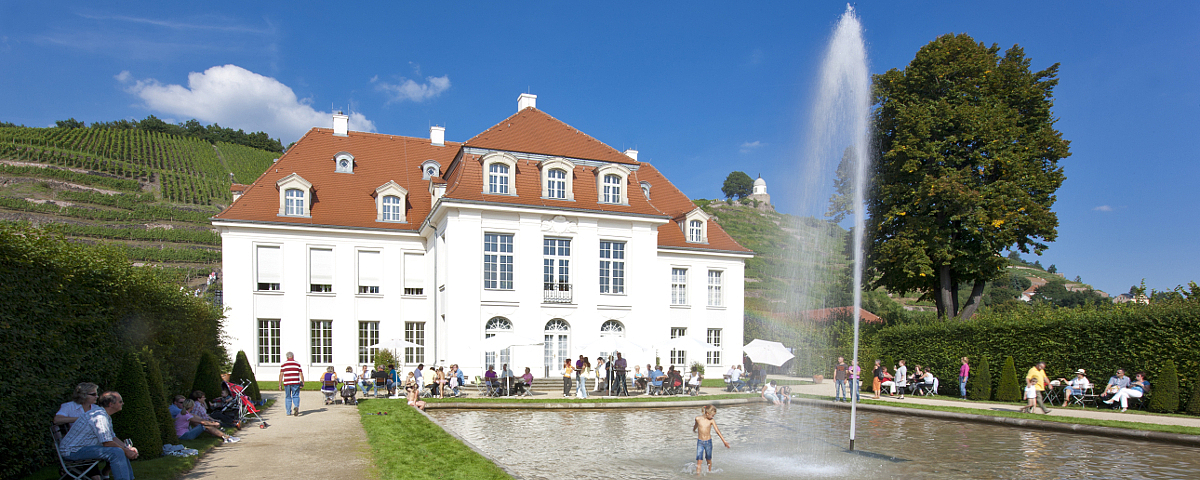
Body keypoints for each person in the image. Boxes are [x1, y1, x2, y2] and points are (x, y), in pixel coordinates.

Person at [58, 391, 139, 480]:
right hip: (72, 451)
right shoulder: (99, 417)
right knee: (117, 452)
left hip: (81, 448)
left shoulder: (105, 416)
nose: (122, 403)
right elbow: (107, 443)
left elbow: (112, 437)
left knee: (121, 450)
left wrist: (127, 448)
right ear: (111, 404)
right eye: (120, 401)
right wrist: (125, 451)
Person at [692, 405, 730, 474]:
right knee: (699, 461)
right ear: (707, 413)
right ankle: (698, 476)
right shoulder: (698, 418)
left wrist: (724, 441)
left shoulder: (711, 421)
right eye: (712, 415)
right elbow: (696, 425)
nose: (713, 417)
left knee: (708, 459)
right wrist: (694, 429)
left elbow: (717, 431)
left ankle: (709, 473)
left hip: (708, 442)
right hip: (700, 442)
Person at [278, 351, 304, 416]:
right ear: (293, 356)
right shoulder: (297, 364)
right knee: (295, 395)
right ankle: (296, 406)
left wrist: (279, 384)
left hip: (287, 382)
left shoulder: (284, 364)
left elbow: (281, 375)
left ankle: (288, 412)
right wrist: (302, 382)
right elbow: (301, 374)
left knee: (288, 397)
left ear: (287, 357)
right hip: (295, 382)